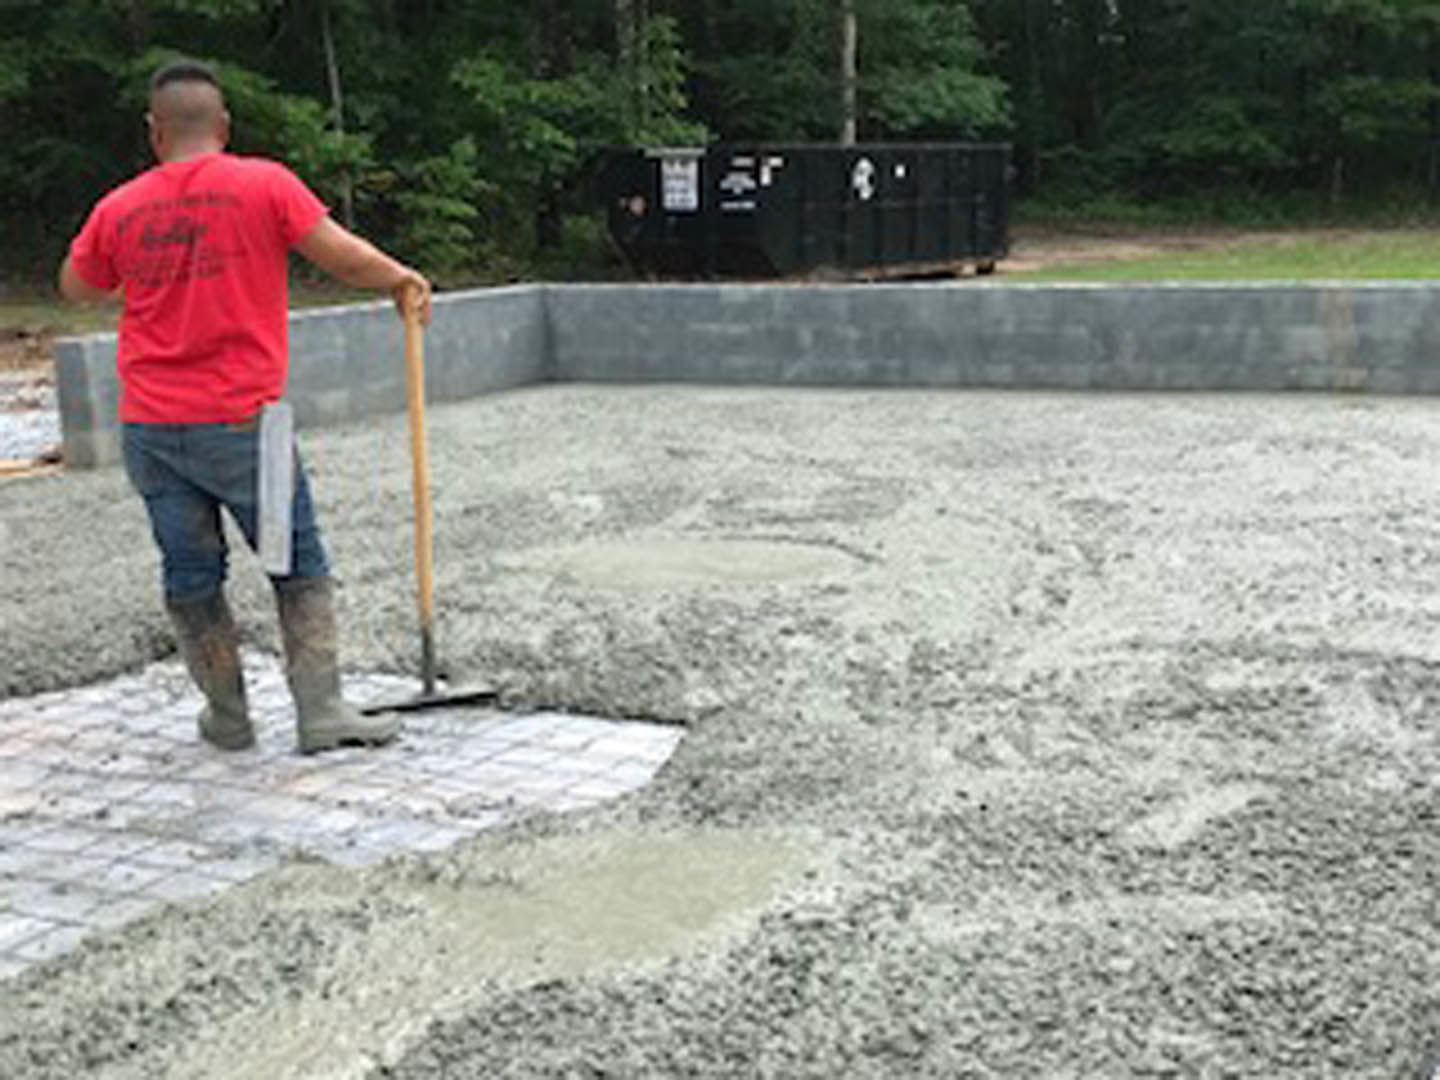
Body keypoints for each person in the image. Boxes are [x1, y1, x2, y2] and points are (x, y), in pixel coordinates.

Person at [59, 57, 432, 754]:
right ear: (222, 125)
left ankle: (227, 716)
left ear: (155, 132)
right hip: (244, 424)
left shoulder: (121, 206)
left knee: (191, 573)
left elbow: (76, 284)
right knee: (297, 561)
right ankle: (319, 713)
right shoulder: (264, 184)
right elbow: (340, 255)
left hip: (151, 427)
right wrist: (399, 278)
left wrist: (136, 266)